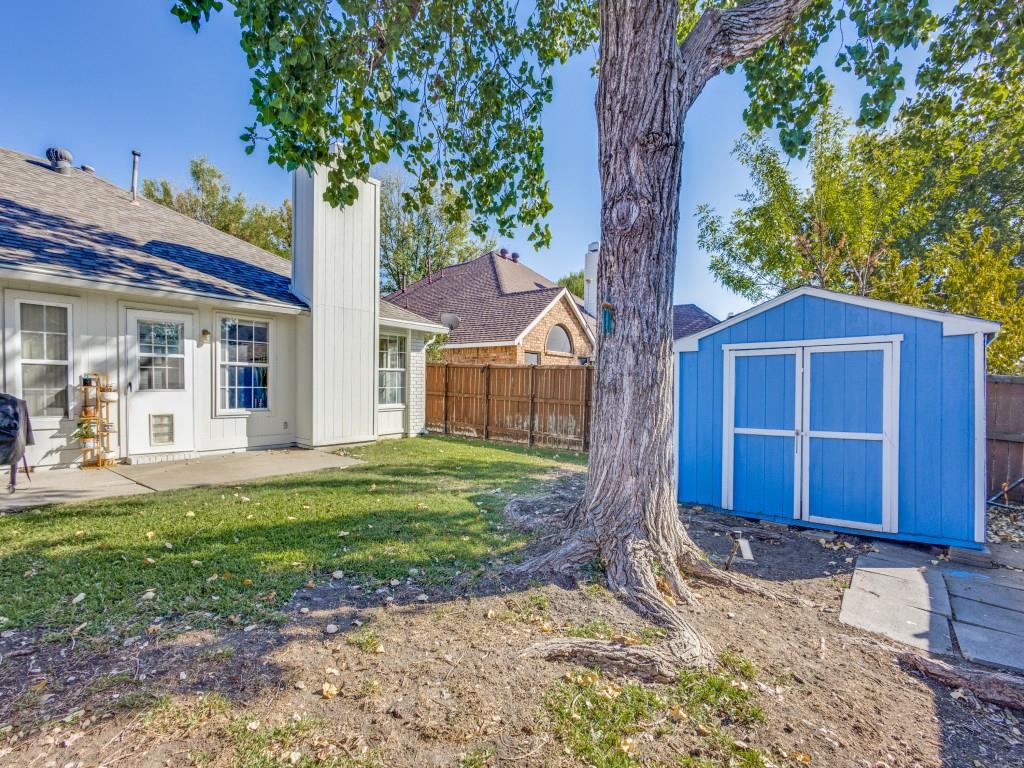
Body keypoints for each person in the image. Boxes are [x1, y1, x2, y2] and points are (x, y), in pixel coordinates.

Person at [0, 394, 33, 493]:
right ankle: (12, 483)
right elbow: (24, 423)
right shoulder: (19, 403)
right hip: (14, 440)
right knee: (14, 459)